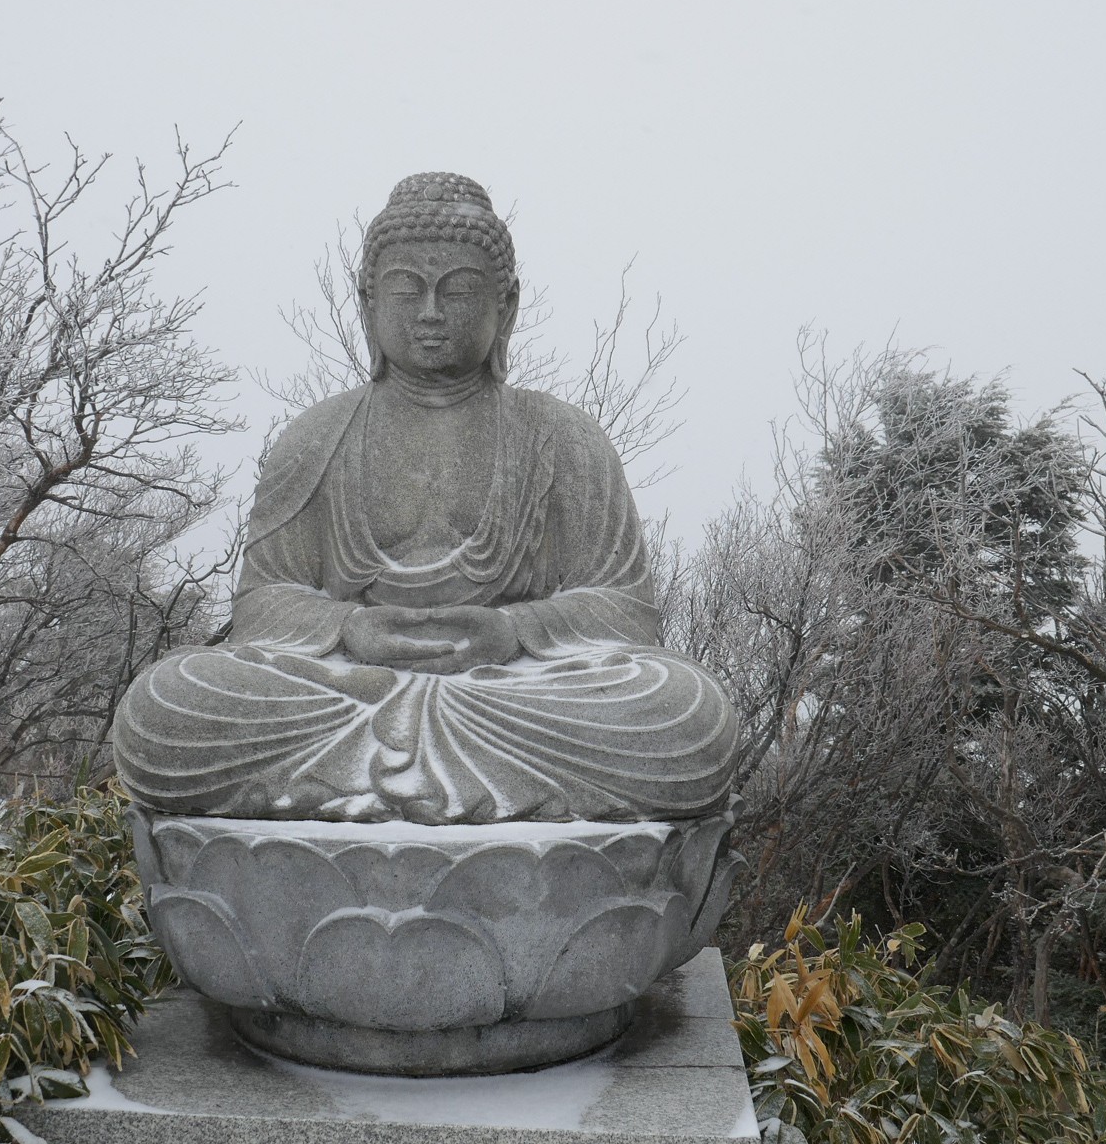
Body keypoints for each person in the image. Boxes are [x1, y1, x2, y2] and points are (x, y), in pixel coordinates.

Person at [111, 173, 739, 822]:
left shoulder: (561, 437)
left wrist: (513, 629)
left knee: (687, 714)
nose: (431, 311)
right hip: (348, 690)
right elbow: (263, 604)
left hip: (516, 697)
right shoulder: (317, 437)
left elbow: (627, 612)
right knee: (165, 705)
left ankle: (359, 786)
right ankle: (471, 790)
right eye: (406, 289)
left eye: (460, 290)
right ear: (366, 302)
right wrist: (350, 628)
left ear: (509, 305)